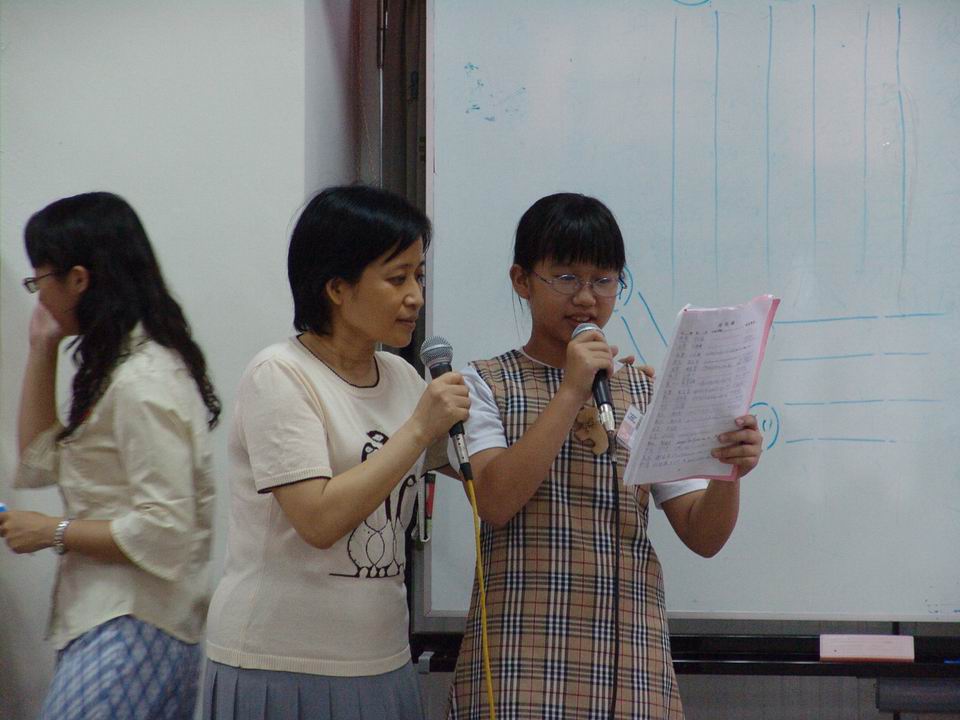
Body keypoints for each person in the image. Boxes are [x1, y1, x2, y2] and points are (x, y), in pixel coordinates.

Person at [447, 193, 764, 719]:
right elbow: (495, 502)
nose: (586, 297)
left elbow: (703, 535)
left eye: (603, 280)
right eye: (565, 277)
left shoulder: (644, 390)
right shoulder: (482, 383)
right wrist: (572, 389)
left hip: (631, 667)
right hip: (519, 662)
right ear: (522, 280)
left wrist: (728, 471)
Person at [202, 185, 469, 720]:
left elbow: (478, 472)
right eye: (397, 278)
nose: (415, 296)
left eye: (419, 276)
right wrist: (418, 429)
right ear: (337, 288)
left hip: (381, 656)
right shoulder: (281, 374)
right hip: (280, 661)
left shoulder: (402, 377)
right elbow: (318, 519)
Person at [0, 192, 221, 719]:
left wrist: (52, 531)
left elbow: (165, 528)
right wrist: (42, 347)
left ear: (78, 279)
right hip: (121, 622)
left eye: (39, 280)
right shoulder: (117, 368)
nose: (38, 295)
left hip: (133, 625)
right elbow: (37, 462)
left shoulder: (142, 380)